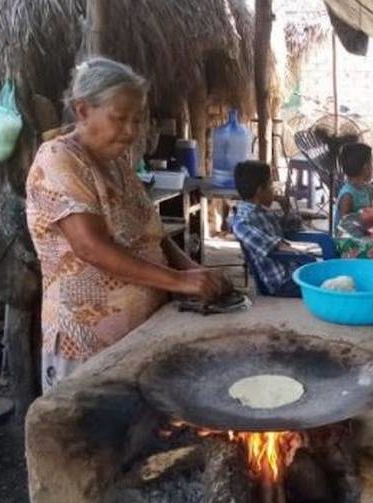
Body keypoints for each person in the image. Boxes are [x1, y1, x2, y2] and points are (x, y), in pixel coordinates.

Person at [26, 57, 231, 391]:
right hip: (87, 344)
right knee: (90, 436)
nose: (131, 131)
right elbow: (90, 247)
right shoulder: (59, 159)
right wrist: (179, 281)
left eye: (137, 120)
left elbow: (155, 238)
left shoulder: (118, 164)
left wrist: (197, 273)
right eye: (119, 118)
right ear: (82, 111)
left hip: (141, 334)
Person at [231, 160, 311, 297]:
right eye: (271, 185)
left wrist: (287, 209)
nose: (274, 190)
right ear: (259, 191)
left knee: (333, 274)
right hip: (281, 282)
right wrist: (305, 257)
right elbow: (277, 246)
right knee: (329, 282)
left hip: (291, 269)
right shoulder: (242, 222)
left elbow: (294, 227)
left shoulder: (264, 212)